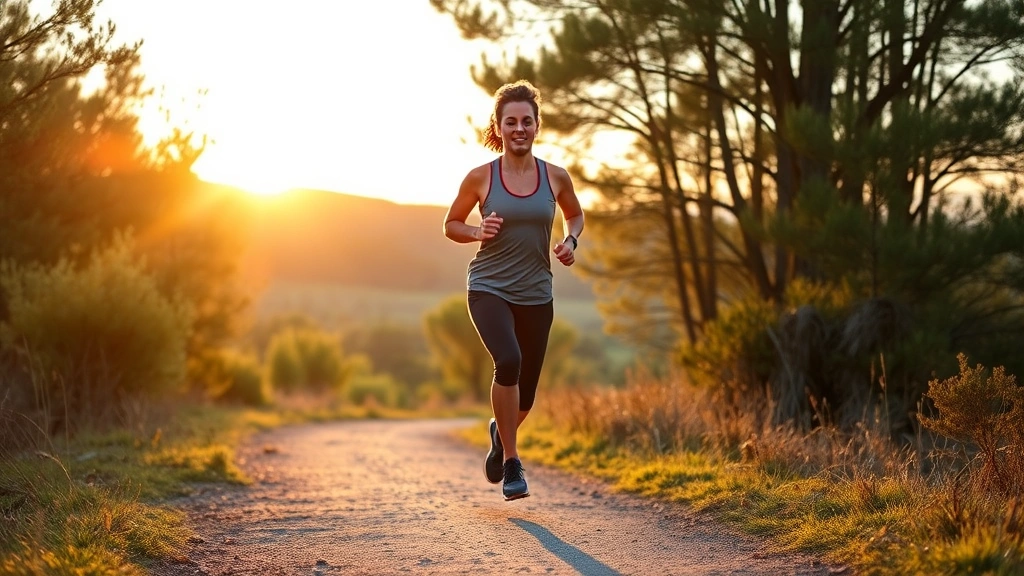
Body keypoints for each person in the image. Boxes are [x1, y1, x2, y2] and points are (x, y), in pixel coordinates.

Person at [443, 80, 584, 501]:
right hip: (488, 287)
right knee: (508, 360)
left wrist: (570, 242)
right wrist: (475, 230)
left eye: (526, 121)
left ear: (537, 125)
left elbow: (575, 216)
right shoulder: (480, 177)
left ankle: (499, 431)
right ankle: (512, 464)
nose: (519, 128)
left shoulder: (555, 177)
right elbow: (450, 224)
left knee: (527, 394)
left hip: (537, 293)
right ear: (498, 127)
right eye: (510, 121)